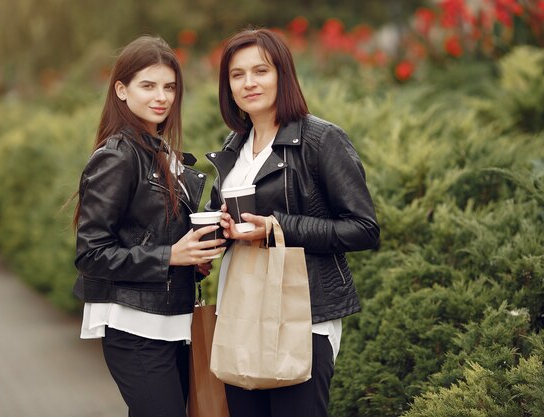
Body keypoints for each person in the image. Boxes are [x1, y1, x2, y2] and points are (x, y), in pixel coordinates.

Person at [205, 28, 380, 417]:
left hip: (303, 319)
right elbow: (231, 225)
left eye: (261, 71)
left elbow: (364, 228)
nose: (249, 83)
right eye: (237, 74)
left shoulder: (321, 140)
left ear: (282, 74)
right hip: (242, 312)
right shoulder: (234, 148)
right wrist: (218, 233)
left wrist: (277, 226)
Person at [72, 35, 225, 417]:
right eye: (148, 85)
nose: (162, 96)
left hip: (172, 319)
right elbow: (91, 253)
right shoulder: (118, 156)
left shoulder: (161, 152)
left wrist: (190, 258)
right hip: (134, 325)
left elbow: (154, 233)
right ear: (121, 90)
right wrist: (170, 255)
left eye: (169, 86)